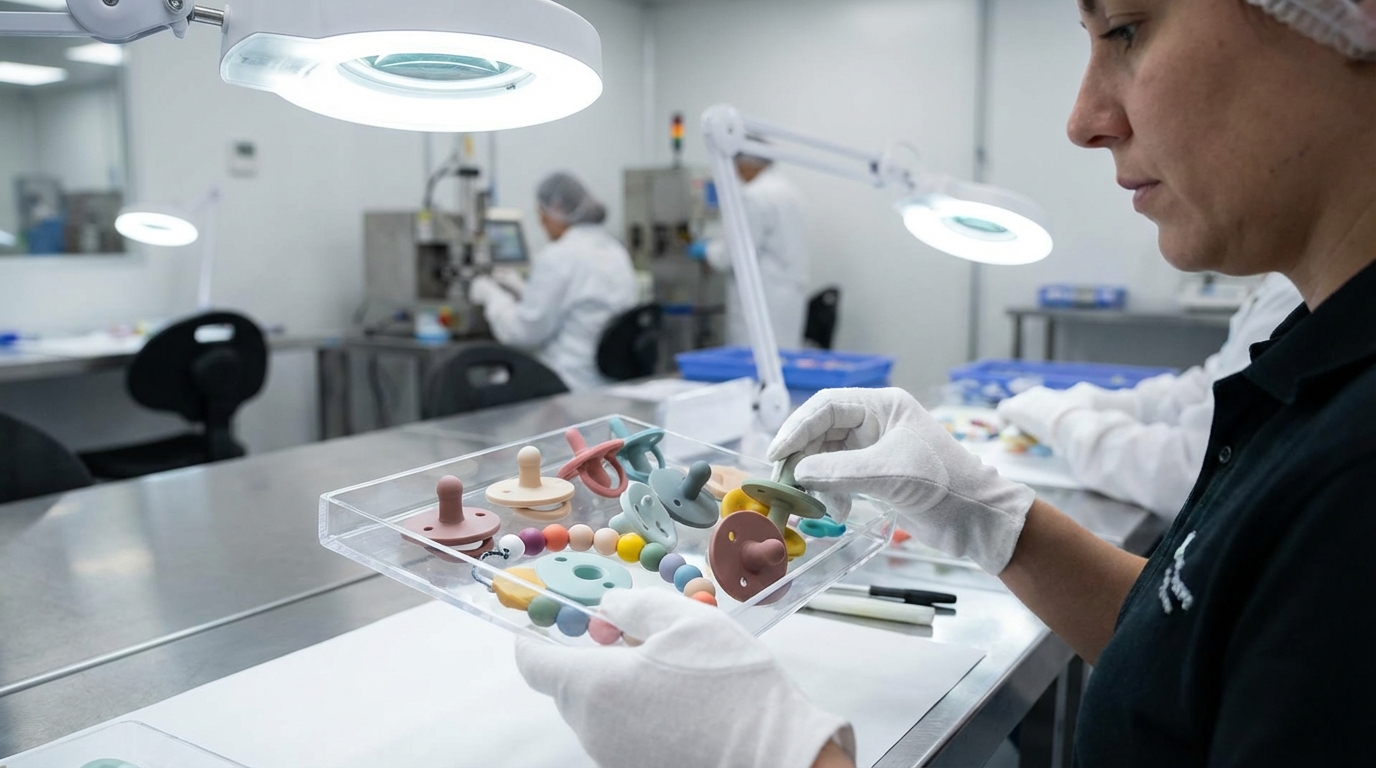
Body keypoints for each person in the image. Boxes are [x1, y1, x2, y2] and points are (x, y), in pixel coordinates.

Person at [515, 2, 1376, 766]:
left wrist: (785, 755)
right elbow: (1196, 654)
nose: (1083, 120)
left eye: (1125, 29)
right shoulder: (1318, 357)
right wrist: (993, 518)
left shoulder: (1357, 476)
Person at [998, 273, 1302, 518]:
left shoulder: (1295, 296)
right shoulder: (1280, 284)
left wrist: (1063, 422)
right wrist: (1097, 401)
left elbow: (1188, 473)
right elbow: (1211, 384)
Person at [469, 172, 638, 392]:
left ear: (557, 210)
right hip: (609, 380)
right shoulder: (613, 249)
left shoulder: (559, 255)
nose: (541, 222)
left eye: (542, 214)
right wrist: (522, 289)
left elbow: (522, 334)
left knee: (492, 382)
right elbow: (577, 304)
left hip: (569, 382)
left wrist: (492, 296)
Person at [696, 151, 811, 349]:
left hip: (763, 295)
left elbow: (735, 253)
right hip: (788, 292)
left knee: (754, 361)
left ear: (748, 165)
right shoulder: (789, 190)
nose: (735, 171)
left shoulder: (754, 195)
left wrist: (707, 251)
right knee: (783, 357)